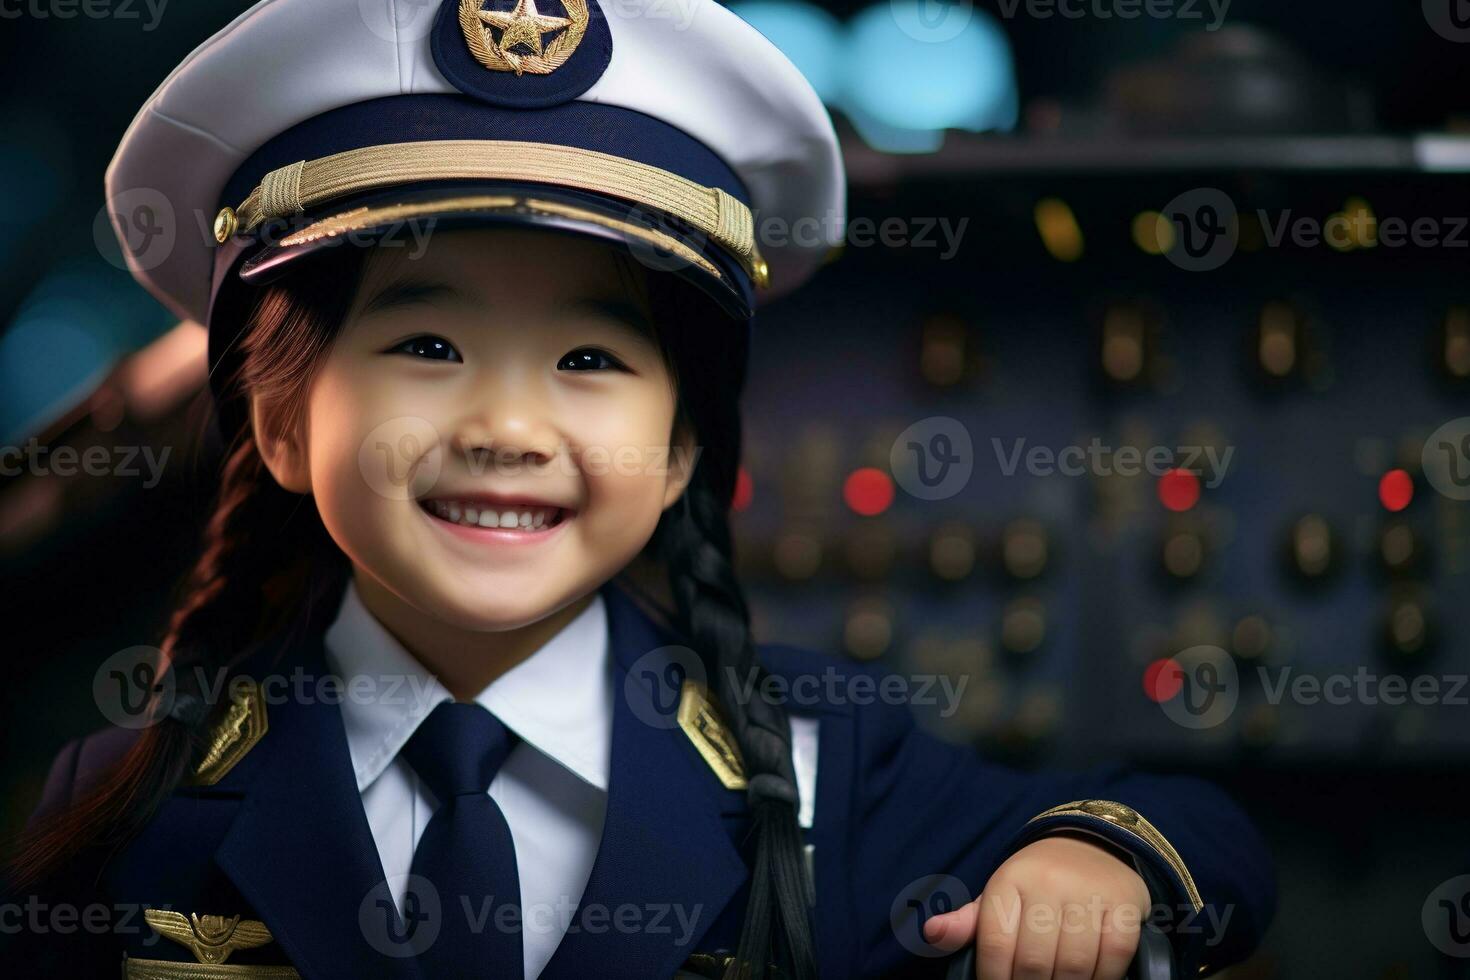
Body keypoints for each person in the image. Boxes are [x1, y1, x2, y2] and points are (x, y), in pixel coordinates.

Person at [2, 0, 1275, 977]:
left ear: (678, 452)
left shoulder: (825, 758)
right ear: (279, 420)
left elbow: (1206, 834)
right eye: (428, 345)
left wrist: (1089, 855)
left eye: (591, 358)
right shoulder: (127, 801)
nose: (508, 424)